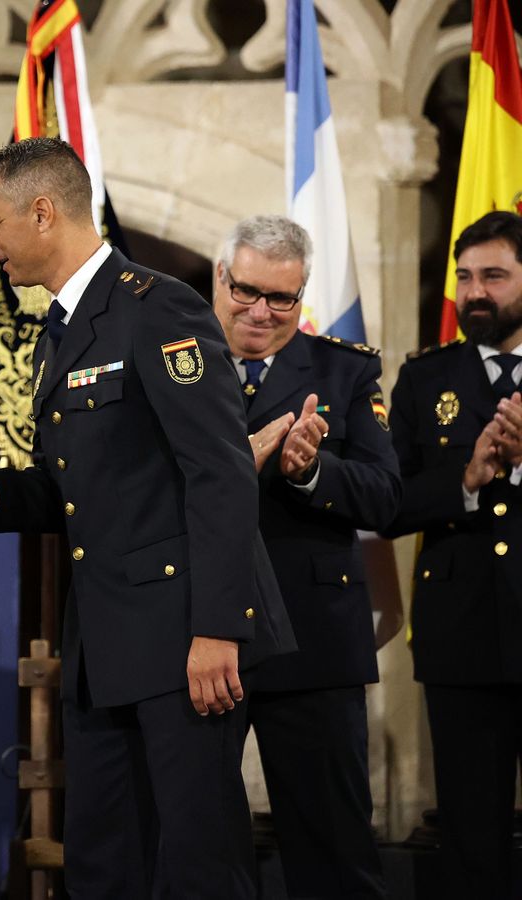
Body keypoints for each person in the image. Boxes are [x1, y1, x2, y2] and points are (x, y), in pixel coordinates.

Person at [0, 138, 296, 897]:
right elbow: (73, 491)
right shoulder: (64, 328)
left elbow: (219, 472)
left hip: (185, 639)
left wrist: (218, 628)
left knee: (198, 864)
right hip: (106, 643)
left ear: (42, 211)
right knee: (102, 862)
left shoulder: (157, 307)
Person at [210, 214, 399, 898]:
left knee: (333, 852)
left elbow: (387, 498)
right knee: (204, 847)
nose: (260, 312)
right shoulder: (179, 362)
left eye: (281, 299)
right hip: (207, 637)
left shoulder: (344, 371)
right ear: (221, 278)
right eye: (247, 291)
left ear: (303, 295)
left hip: (314, 640)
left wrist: (311, 473)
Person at [381, 209, 522, 898]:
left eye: (494, 276)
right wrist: (464, 482)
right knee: (471, 831)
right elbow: (388, 502)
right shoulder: (424, 379)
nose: (474, 294)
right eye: (464, 277)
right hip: (461, 635)